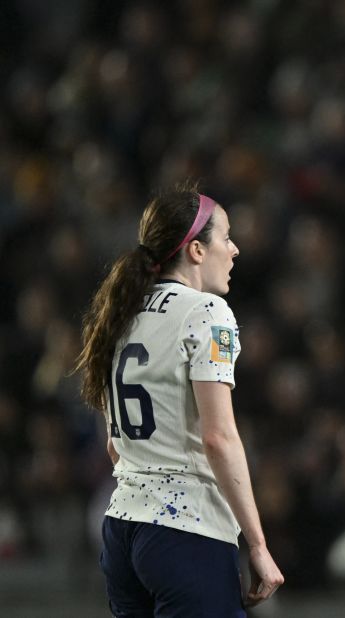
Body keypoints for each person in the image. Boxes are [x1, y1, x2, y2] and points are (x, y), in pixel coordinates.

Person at [74, 182, 284, 616]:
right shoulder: (207, 312)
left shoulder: (121, 311)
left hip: (122, 530)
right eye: (226, 237)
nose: (236, 249)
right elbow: (219, 438)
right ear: (196, 250)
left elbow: (115, 445)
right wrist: (258, 545)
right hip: (186, 532)